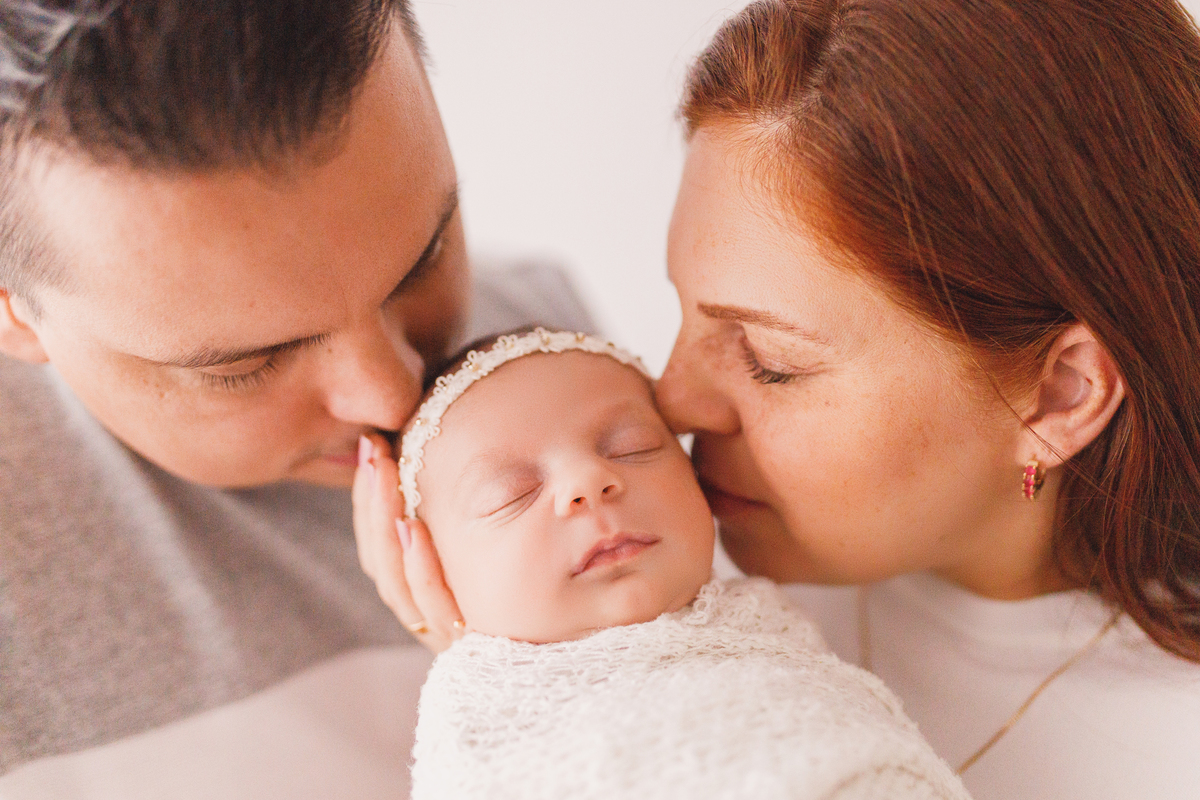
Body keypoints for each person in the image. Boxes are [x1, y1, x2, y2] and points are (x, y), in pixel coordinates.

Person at [355, 2, 1200, 798]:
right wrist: (524, 678)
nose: (673, 401)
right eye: (681, 314)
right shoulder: (646, 572)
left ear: (1059, 394)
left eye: (767, 361)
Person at [0, 2, 591, 797]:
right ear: (13, 307)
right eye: (246, 363)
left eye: (426, 256)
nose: (392, 392)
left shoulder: (556, 357)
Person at [373, 327, 970, 800]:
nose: (589, 481)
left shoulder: (773, 618)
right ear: (429, 567)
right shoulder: (479, 720)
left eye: (632, 449)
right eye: (511, 495)